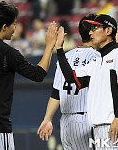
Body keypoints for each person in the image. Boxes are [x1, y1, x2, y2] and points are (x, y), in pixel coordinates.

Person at [0, 1, 58, 150]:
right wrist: (49, 46)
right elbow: (38, 74)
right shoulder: (7, 52)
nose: (15, 28)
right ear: (4, 27)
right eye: (14, 24)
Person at [55, 14, 118, 149]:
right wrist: (59, 49)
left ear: (108, 30)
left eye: (95, 28)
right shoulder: (97, 61)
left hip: (114, 124)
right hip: (98, 126)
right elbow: (71, 78)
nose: (90, 32)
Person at [37, 14, 101, 150]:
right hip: (85, 119)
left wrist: (47, 119)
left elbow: (56, 92)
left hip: (65, 122)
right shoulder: (98, 56)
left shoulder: (66, 56)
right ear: (93, 32)